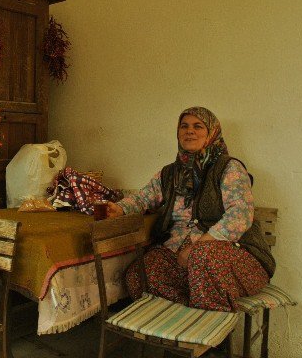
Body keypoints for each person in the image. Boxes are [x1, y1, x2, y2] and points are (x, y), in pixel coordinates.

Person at [106, 107, 275, 312]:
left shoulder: (229, 168)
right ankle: (193, 317)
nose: (189, 131)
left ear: (211, 133)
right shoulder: (169, 174)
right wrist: (120, 209)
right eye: (184, 126)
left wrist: (197, 246)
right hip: (181, 257)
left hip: (236, 260)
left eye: (198, 126)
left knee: (203, 258)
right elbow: (144, 197)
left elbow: (240, 216)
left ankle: (212, 337)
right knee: (139, 275)